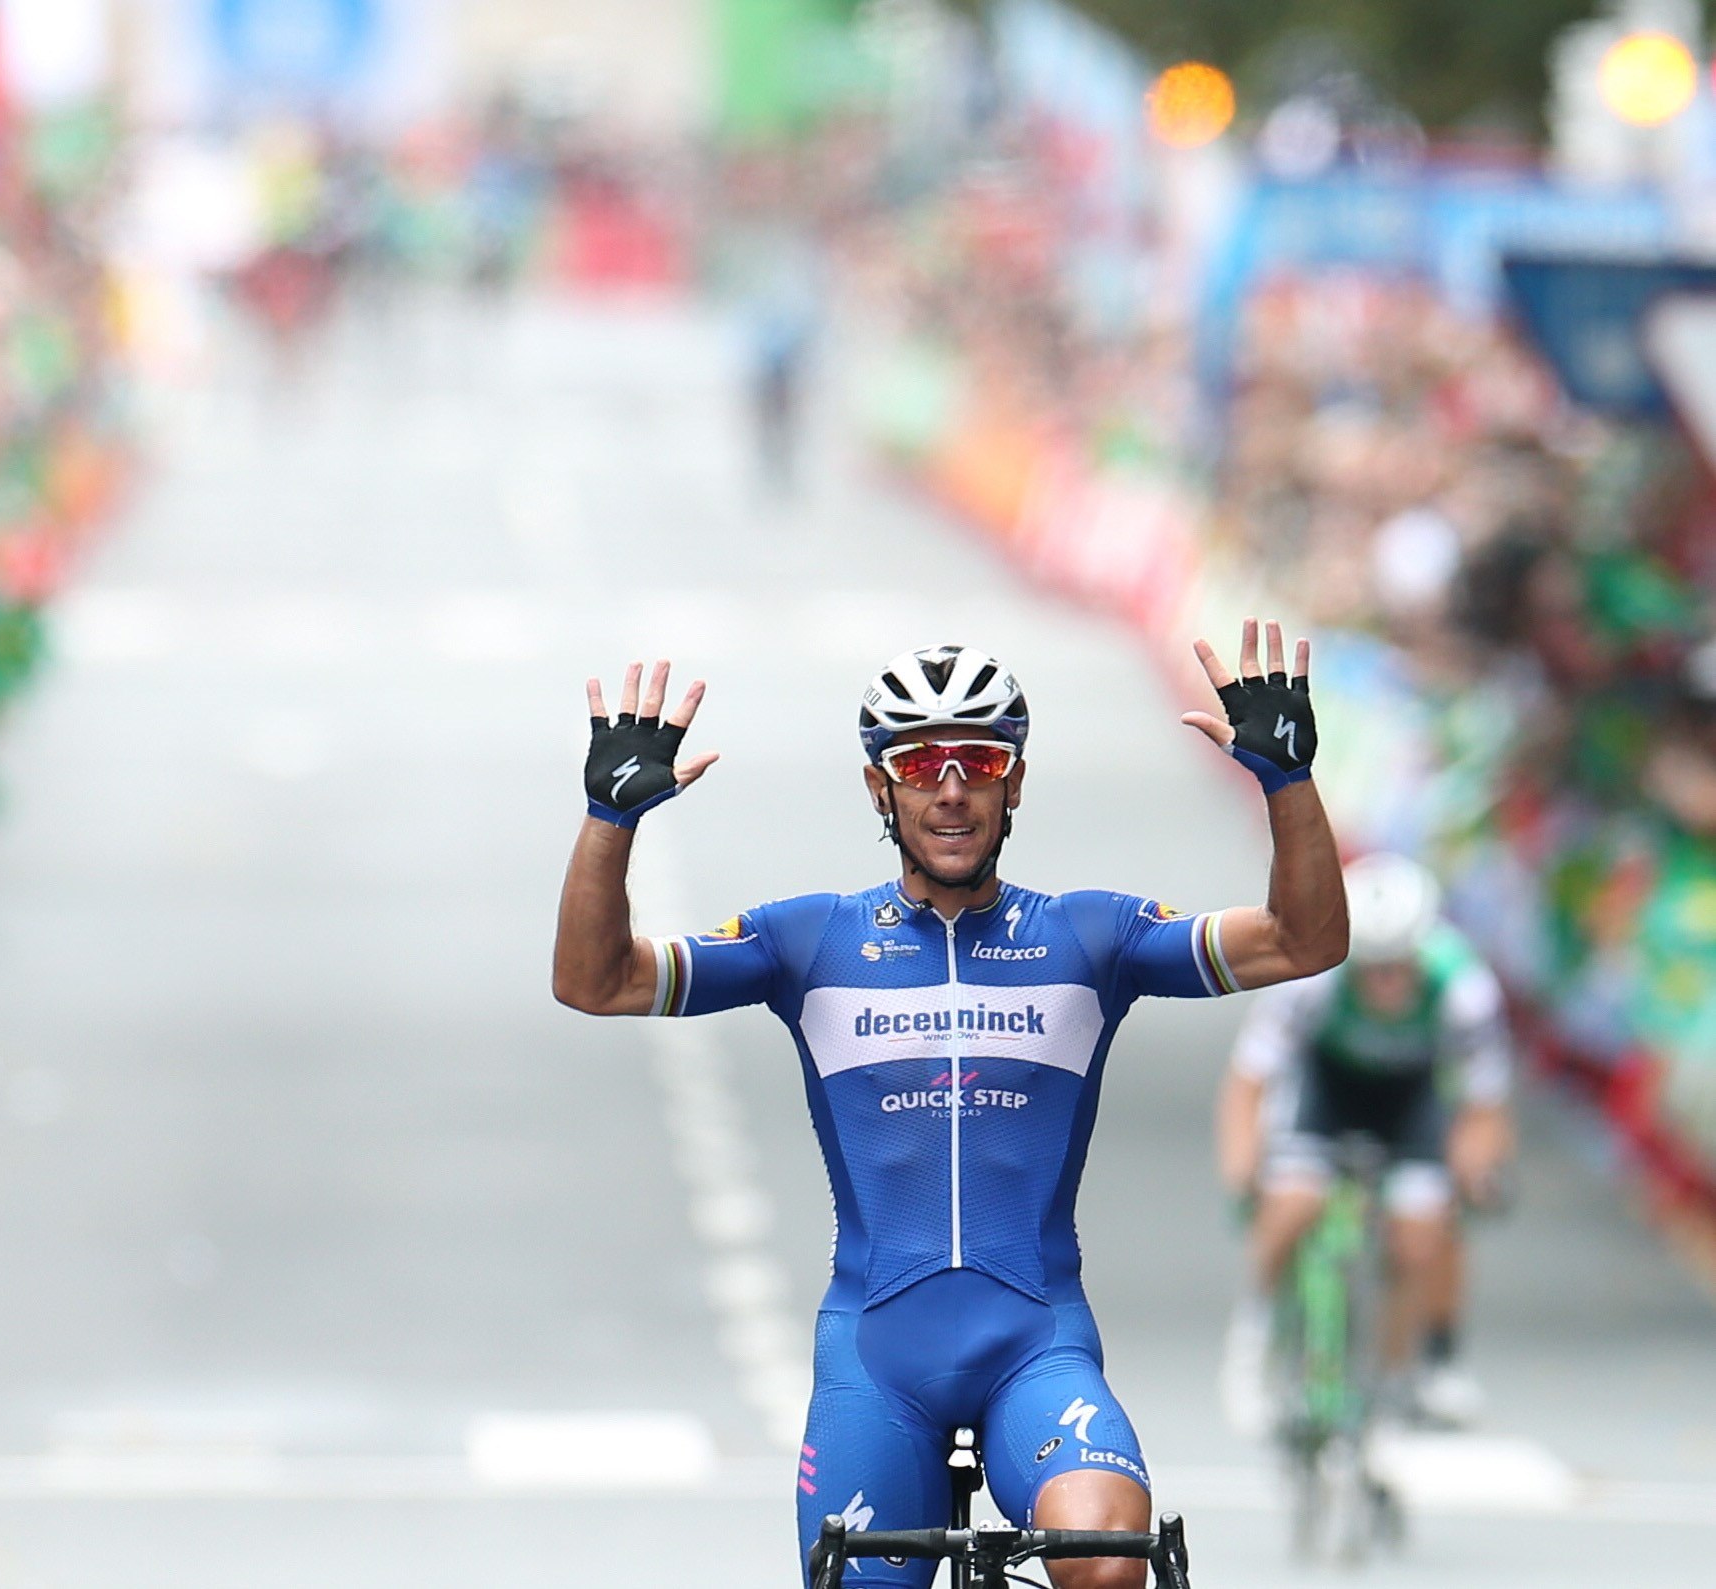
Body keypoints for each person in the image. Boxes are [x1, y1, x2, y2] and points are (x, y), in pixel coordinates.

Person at [553, 621, 1346, 1588]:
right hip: (877, 1357)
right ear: (878, 787)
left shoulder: (1092, 935)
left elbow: (1301, 942)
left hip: (1036, 1348)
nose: (951, 786)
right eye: (920, 762)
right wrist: (610, 821)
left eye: (979, 759)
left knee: (1105, 1558)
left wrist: (1287, 787)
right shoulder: (807, 940)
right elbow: (594, 981)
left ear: (1014, 781)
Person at [1216, 852, 1514, 1434]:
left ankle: (1414, 1367)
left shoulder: (1464, 989)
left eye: (1396, 967)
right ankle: (1254, 1339)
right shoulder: (1314, 978)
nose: (1383, 982)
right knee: (1294, 1200)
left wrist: (1475, 1169)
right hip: (1328, 1092)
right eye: (1371, 967)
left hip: (1412, 1100)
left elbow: (1485, 1105)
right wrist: (1242, 1164)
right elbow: (1249, 1082)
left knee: (1423, 1225)